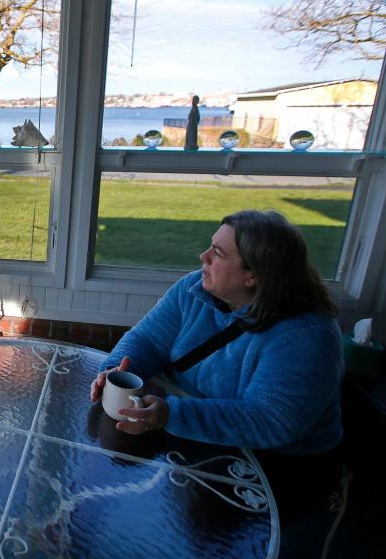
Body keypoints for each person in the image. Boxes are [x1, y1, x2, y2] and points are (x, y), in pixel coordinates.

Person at [89, 210, 344, 529]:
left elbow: (271, 421)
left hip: (281, 462)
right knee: (108, 445)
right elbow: (147, 340)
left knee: (203, 525)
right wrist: (115, 369)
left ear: (254, 276)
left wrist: (172, 415)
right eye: (211, 245)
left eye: (218, 253)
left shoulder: (306, 337)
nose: (203, 256)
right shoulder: (193, 289)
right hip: (189, 423)